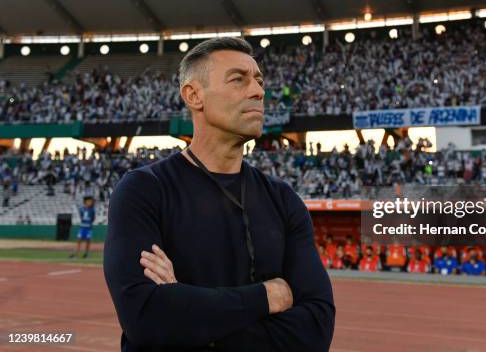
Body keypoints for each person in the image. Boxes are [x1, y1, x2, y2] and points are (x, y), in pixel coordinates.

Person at [103, 38, 335, 352]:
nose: (258, 91)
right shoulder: (143, 190)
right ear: (194, 95)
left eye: (259, 81)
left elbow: (316, 328)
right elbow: (145, 317)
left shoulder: (283, 200)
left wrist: (186, 311)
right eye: (238, 79)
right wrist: (266, 297)